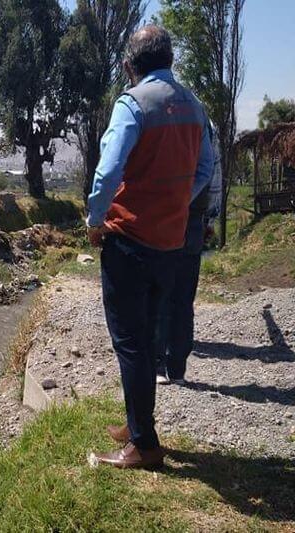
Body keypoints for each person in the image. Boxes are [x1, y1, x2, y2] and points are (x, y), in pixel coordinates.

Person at [86, 25, 214, 469]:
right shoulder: (195, 106)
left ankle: (142, 445)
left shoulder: (133, 104)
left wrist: (95, 219)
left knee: (131, 343)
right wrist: (177, 202)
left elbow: (107, 173)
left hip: (129, 242)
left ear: (129, 64)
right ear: (170, 60)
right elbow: (206, 170)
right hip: (170, 243)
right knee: (149, 338)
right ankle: (136, 421)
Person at [155, 125, 222, 384]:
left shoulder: (155, 113)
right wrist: (211, 218)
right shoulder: (205, 122)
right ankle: (178, 368)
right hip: (193, 216)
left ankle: (158, 365)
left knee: (159, 292)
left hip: (160, 216)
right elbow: (213, 171)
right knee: (183, 298)